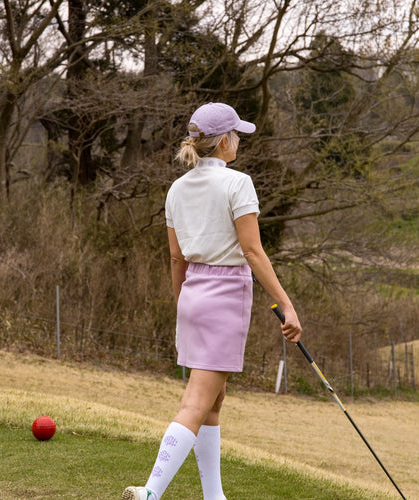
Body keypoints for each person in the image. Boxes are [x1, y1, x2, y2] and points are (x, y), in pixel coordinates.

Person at [122, 102, 302, 500]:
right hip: (224, 298)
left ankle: (214, 496)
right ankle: (150, 493)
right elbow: (253, 253)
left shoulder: (176, 188)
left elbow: (175, 258)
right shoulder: (239, 183)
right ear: (223, 142)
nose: (238, 140)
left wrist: (182, 302)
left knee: (214, 401)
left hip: (191, 295)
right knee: (196, 402)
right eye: (236, 134)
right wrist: (287, 306)